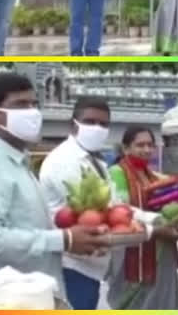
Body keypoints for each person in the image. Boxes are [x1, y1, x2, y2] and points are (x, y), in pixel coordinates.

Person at [0, 72, 106, 295]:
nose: (32, 112)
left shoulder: (16, 162)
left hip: (33, 295)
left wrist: (72, 238)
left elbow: (28, 228)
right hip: (5, 300)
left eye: (34, 104)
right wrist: (62, 239)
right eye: (21, 105)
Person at [39, 98, 154, 309]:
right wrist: (149, 229)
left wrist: (151, 219)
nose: (97, 128)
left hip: (92, 265)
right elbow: (94, 214)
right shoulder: (64, 160)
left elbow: (116, 206)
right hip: (71, 264)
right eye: (90, 121)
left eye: (103, 124)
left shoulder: (97, 161)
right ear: (74, 125)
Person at [106, 126, 178, 309]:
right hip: (132, 248)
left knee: (163, 300)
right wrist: (156, 221)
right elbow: (121, 209)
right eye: (140, 145)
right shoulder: (116, 173)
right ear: (126, 148)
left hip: (162, 248)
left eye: (150, 145)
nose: (147, 150)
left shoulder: (153, 176)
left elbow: (171, 202)